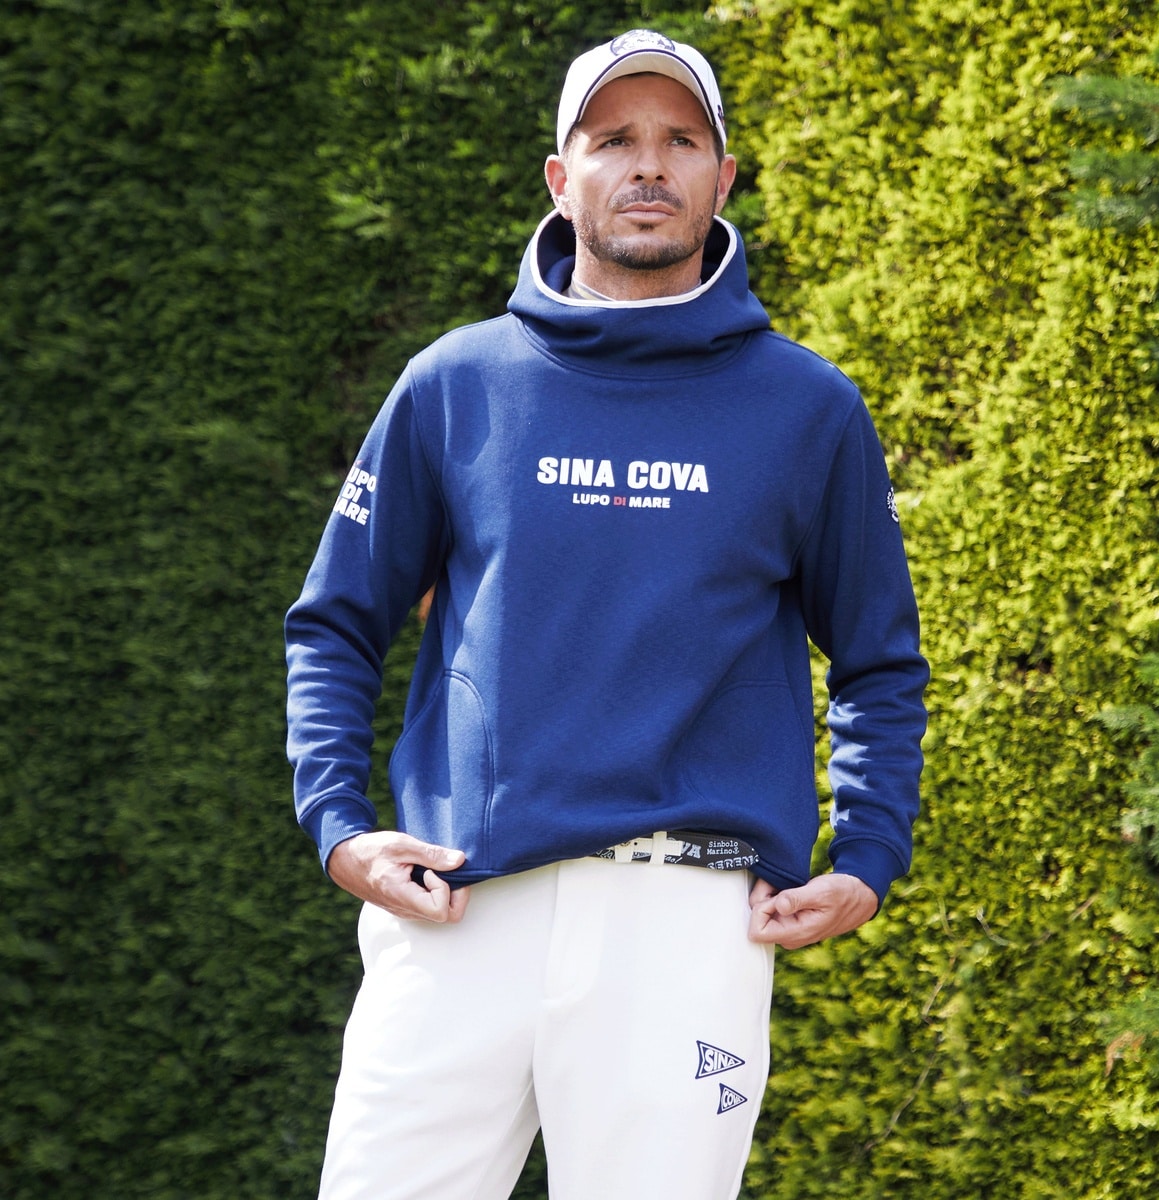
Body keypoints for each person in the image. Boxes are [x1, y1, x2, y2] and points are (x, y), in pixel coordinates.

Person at [285, 28, 928, 1200]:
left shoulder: (809, 409)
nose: (648, 165)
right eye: (614, 139)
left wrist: (872, 853)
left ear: (723, 178)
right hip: (457, 906)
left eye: (681, 141)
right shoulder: (455, 384)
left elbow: (879, 660)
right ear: (559, 175)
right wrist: (338, 825)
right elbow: (335, 622)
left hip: (688, 920)